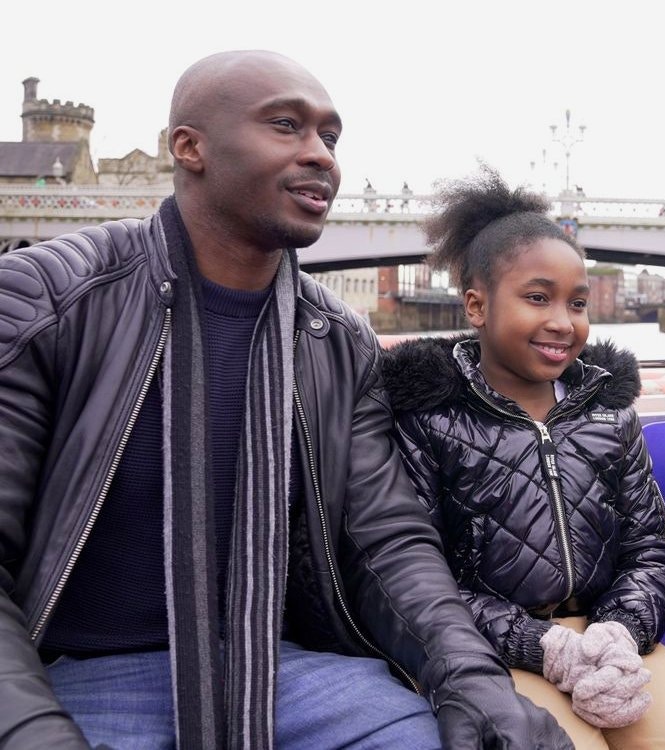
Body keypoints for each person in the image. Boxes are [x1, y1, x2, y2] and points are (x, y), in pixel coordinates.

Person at [0, 50, 569, 750]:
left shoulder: (338, 341)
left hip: (276, 666)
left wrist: (472, 682)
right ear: (190, 147)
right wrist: (29, 728)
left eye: (329, 138)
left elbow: (386, 541)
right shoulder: (45, 299)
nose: (321, 156)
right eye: (285, 126)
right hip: (72, 674)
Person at [379, 166, 665, 750]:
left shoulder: (610, 416)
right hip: (488, 650)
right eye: (538, 298)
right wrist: (545, 647)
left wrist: (620, 632)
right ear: (477, 306)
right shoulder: (428, 422)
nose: (563, 321)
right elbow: (423, 580)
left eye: (577, 302)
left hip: (613, 638)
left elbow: (650, 549)